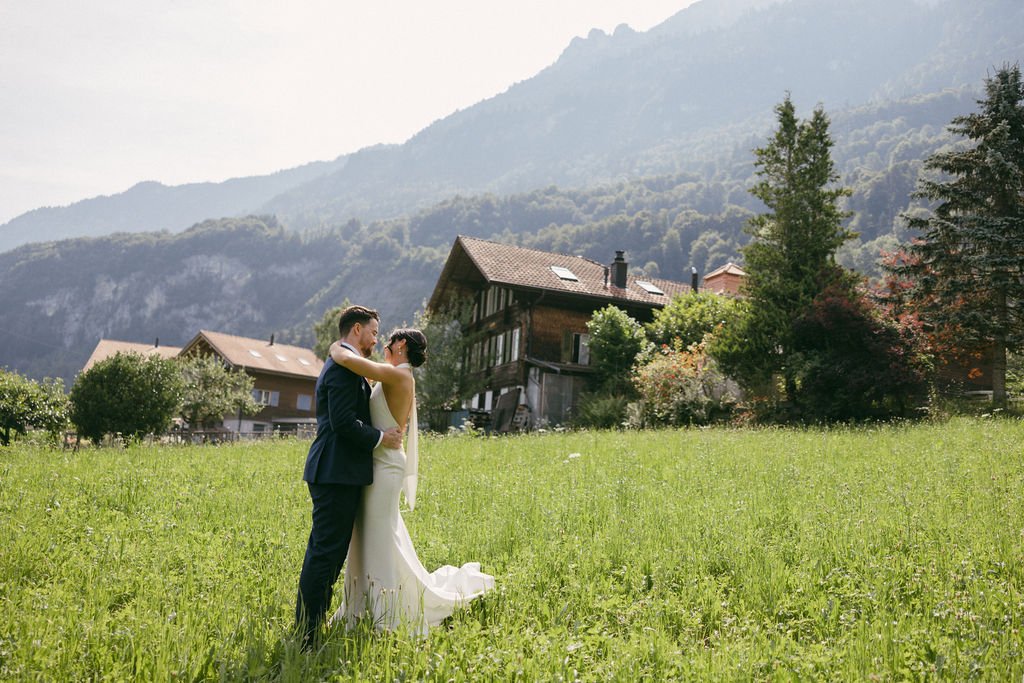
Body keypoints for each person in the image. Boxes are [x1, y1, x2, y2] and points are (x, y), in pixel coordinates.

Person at [328, 328, 494, 635]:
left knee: (380, 537)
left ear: (401, 344)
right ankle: (360, 606)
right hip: (376, 463)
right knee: (369, 535)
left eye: (389, 340)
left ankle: (389, 612)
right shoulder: (392, 374)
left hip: (386, 467)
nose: (385, 344)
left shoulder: (400, 375)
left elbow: (348, 361)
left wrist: (338, 346)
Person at [295, 305, 404, 648]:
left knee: (328, 553)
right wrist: (381, 438)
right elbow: (343, 422)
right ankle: (307, 634)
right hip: (335, 471)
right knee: (325, 554)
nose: (375, 340)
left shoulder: (346, 361)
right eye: (373, 333)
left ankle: (311, 625)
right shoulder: (343, 366)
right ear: (357, 329)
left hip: (339, 471)